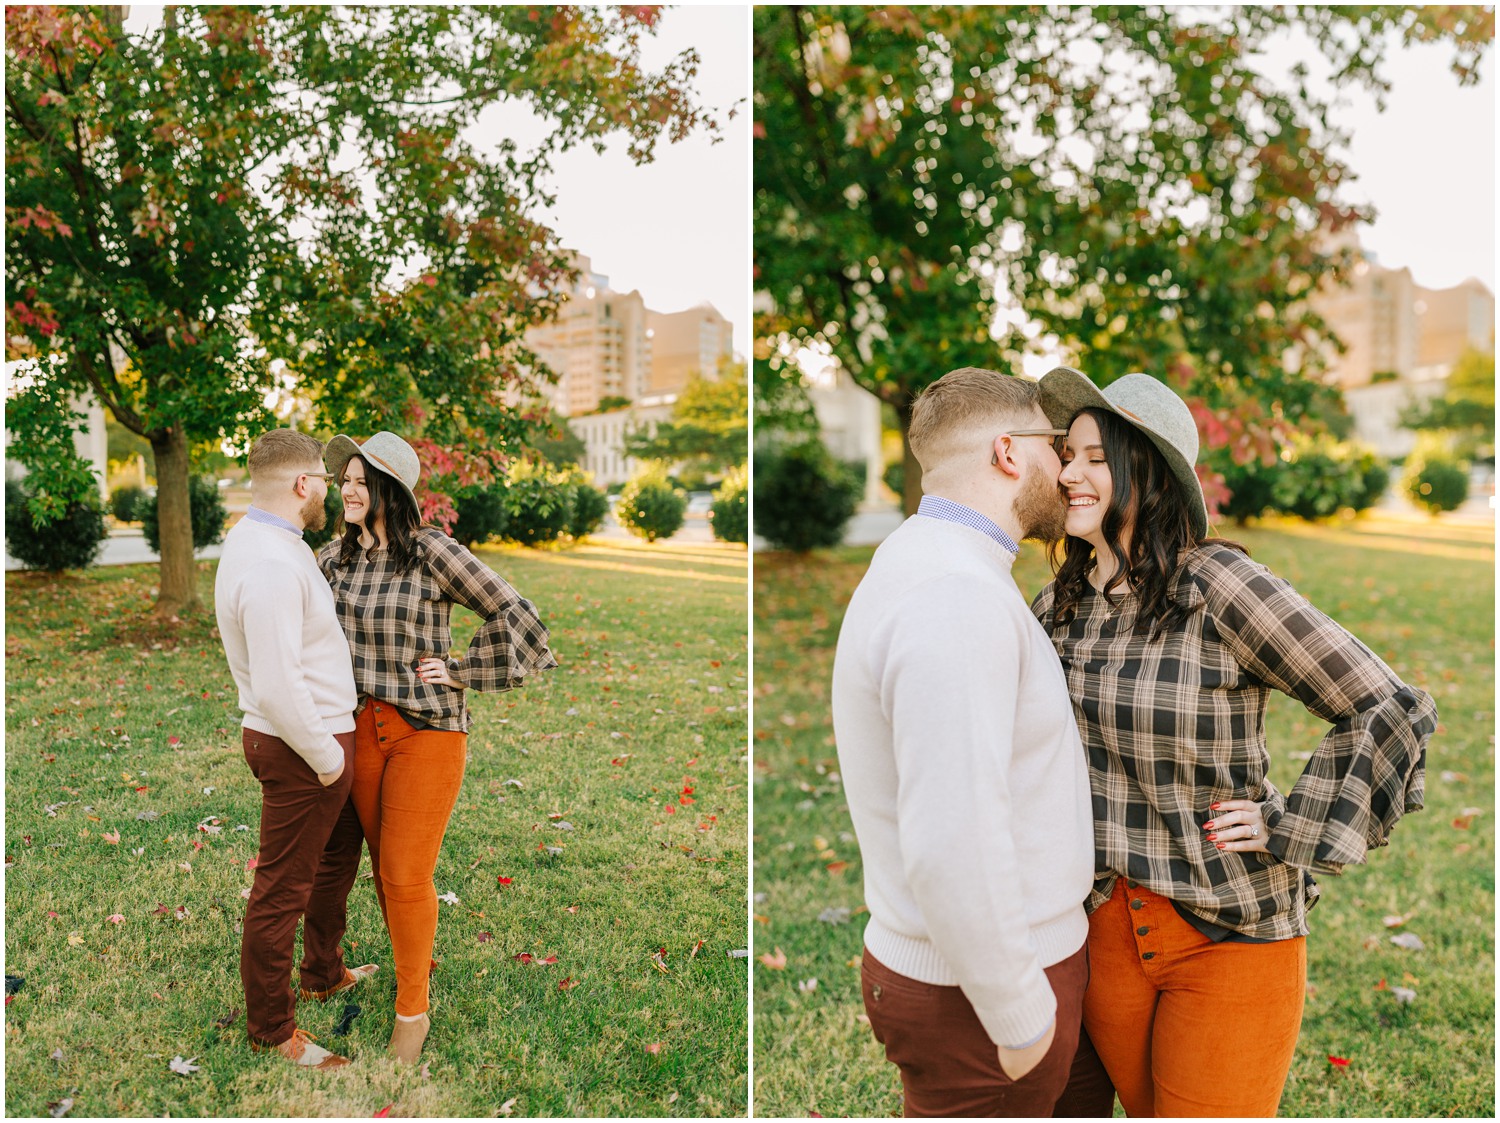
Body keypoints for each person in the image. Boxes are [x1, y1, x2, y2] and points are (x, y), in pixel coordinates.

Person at [1032, 368, 1438, 1117]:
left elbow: (1383, 700)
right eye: (1066, 453)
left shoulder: (1217, 583)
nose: (1067, 472)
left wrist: (1294, 826)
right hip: (1106, 931)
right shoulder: (1060, 605)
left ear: (1142, 468)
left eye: (1092, 456)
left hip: (1230, 930)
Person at [830, 366, 1097, 1116]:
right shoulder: (955, 597)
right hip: (978, 998)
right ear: (1009, 453)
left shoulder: (931, 561)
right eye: (1055, 446)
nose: (1067, 468)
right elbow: (951, 840)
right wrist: (1020, 1015)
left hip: (974, 981)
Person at [316, 431, 557, 1064]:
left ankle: (412, 1012)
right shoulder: (333, 560)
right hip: (359, 731)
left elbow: (517, 614)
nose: (346, 488)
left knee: (405, 873)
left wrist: (461, 670)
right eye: (343, 479)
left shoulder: (431, 552)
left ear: (389, 492)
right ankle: (411, 964)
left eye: (360, 481)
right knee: (384, 876)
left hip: (427, 733)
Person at [214, 429, 379, 1072]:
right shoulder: (273, 564)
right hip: (301, 746)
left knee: (331, 864)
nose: (333, 493)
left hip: (311, 740)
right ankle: (273, 1028)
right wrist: (329, 759)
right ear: (301, 485)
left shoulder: (270, 543)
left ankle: (323, 972)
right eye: (325, 480)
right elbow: (281, 687)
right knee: (283, 890)